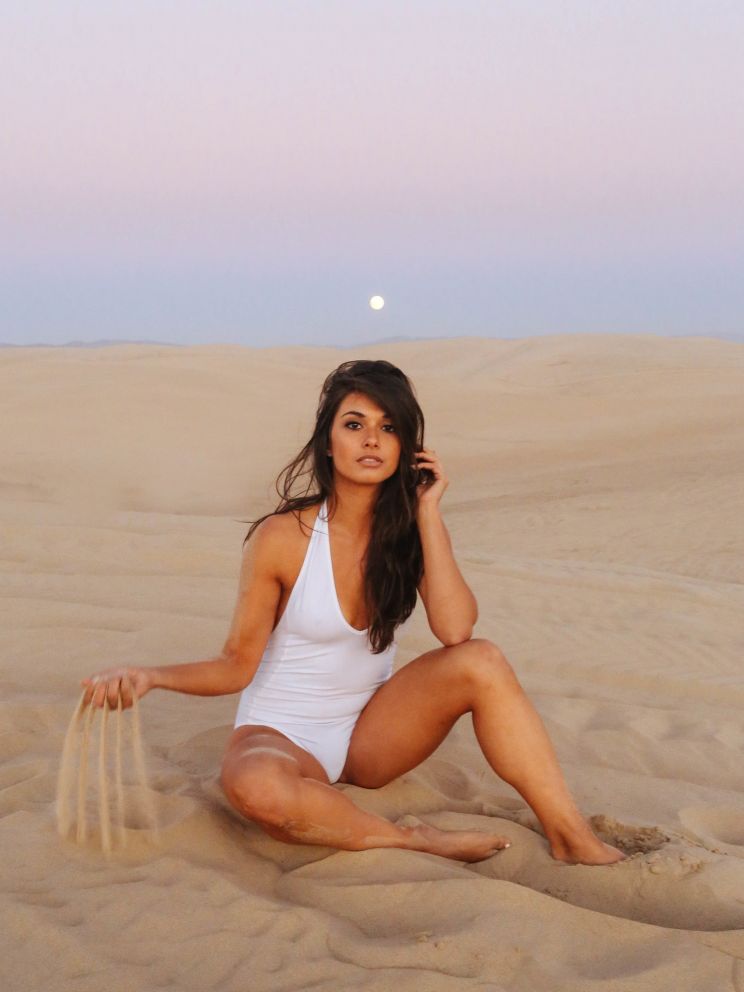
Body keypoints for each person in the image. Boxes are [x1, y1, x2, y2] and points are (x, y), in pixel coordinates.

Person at [82, 359, 624, 865]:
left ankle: (570, 835)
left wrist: (428, 513)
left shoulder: (408, 534)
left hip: (370, 737)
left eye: (388, 428)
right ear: (328, 442)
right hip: (281, 735)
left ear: (406, 447)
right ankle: (412, 839)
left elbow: (456, 629)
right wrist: (151, 676)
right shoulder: (283, 537)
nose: (371, 439)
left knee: (482, 661)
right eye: (354, 424)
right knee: (256, 787)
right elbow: (235, 665)